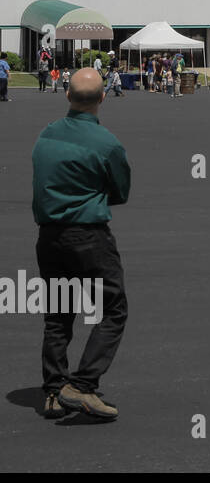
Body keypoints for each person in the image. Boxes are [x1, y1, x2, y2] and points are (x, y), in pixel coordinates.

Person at [31, 68, 131, 420]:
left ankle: (54, 391)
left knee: (58, 316)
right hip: (88, 236)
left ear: (66, 96)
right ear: (103, 98)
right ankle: (84, 384)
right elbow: (120, 192)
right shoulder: (108, 144)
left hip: (50, 236)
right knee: (113, 308)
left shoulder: (47, 134)